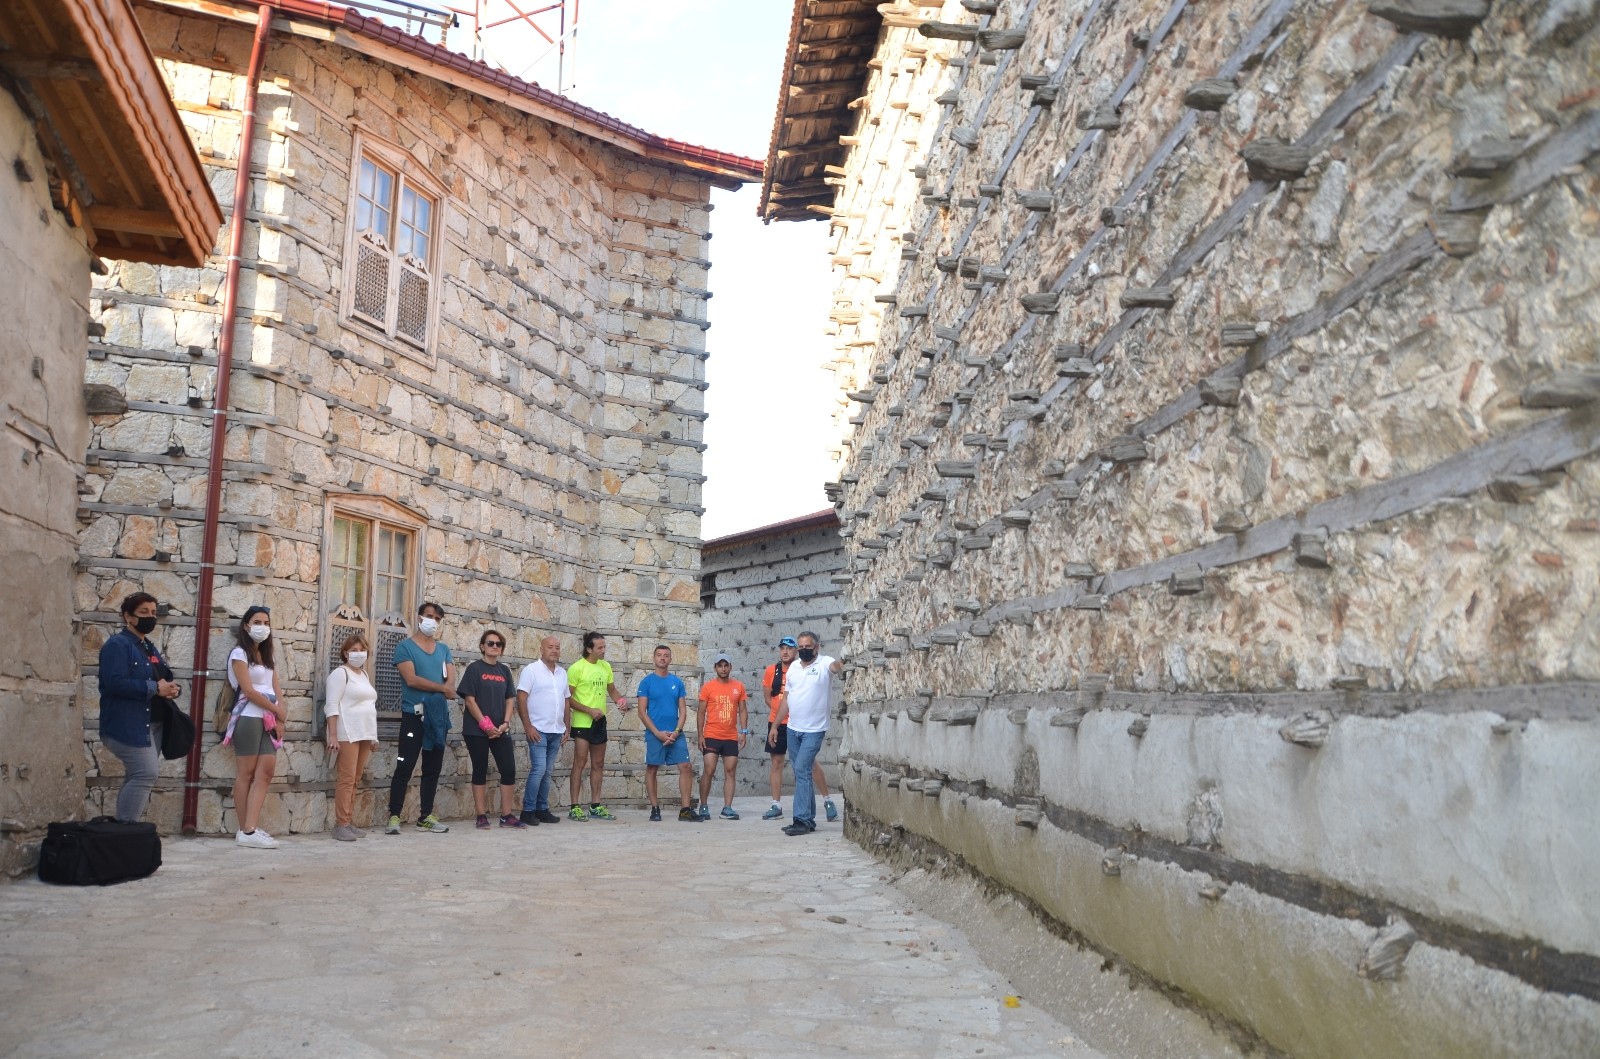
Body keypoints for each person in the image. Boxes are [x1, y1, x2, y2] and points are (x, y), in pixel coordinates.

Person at [97, 592, 181, 823]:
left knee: (137, 775)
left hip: (152, 725)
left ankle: (124, 832)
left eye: (153, 612)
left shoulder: (148, 647)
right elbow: (115, 683)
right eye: (143, 612)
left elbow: (161, 677)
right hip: (129, 725)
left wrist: (172, 689)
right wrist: (155, 688)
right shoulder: (117, 645)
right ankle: (126, 831)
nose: (150, 617)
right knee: (145, 773)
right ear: (128, 616)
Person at [387, 601, 454, 834]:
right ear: (418, 618)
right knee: (404, 766)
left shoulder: (444, 649)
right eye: (428, 616)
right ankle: (394, 816)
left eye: (437, 618)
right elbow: (411, 679)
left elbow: (451, 681)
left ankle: (425, 816)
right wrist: (441, 689)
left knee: (432, 768)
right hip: (413, 716)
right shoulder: (405, 647)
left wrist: (445, 689)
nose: (432, 621)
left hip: (437, 718)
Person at [773, 630, 844, 836]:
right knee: (800, 771)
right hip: (793, 728)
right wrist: (776, 725)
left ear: (817, 647)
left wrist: (843, 661)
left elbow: (835, 667)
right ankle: (809, 818)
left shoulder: (824, 663)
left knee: (803, 769)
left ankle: (801, 820)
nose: (804, 650)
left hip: (814, 730)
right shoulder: (794, 667)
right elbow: (787, 698)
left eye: (808, 647)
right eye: (801, 647)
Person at [227, 605, 285, 848]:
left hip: (269, 720)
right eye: (257, 621)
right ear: (246, 626)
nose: (263, 626)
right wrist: (275, 709)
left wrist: (280, 717)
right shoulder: (239, 654)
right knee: (246, 773)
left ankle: (250, 827)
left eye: (266, 622)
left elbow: (275, 689)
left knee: (266, 771)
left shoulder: (268, 655)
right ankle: (246, 830)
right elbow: (248, 690)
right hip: (249, 717)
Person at [457, 629, 522, 829]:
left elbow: (510, 699)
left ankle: (506, 815)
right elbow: (469, 700)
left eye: (498, 644)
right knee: (480, 770)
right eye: (490, 643)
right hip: (477, 730)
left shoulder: (504, 671)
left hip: (500, 730)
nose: (494, 646)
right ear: (482, 646)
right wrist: (485, 725)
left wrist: (505, 723)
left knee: (509, 770)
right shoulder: (474, 669)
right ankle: (481, 815)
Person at [565, 631, 630, 820]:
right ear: (588, 648)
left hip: (600, 721)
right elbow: (567, 698)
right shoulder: (577, 668)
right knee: (579, 762)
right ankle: (574, 806)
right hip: (582, 723)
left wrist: (621, 701)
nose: (603, 650)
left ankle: (595, 805)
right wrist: (588, 710)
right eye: (600, 647)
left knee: (598, 764)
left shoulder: (605, 666)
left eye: (604, 646)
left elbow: (612, 690)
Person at [324, 632, 378, 841]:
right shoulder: (340, 674)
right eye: (354, 650)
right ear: (345, 653)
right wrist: (333, 736)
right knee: (346, 779)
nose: (358, 654)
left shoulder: (363, 675)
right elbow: (332, 705)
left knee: (355, 779)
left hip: (364, 732)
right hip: (347, 732)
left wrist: (374, 736)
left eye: (362, 650)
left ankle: (348, 820)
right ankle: (341, 824)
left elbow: (369, 707)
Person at [515, 635, 572, 825]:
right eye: (550, 647)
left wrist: (567, 726)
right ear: (541, 649)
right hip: (538, 730)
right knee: (539, 769)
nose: (554, 650)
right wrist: (528, 726)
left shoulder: (562, 673)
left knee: (547, 771)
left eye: (557, 647)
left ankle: (541, 808)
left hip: (556, 730)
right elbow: (521, 698)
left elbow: (566, 700)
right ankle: (527, 810)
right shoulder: (531, 671)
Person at [636, 645, 694, 822]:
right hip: (655, 734)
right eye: (659, 655)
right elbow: (641, 711)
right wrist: (657, 733)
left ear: (670, 659)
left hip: (676, 733)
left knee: (685, 767)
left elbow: (683, 711)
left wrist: (676, 732)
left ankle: (685, 809)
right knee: (652, 768)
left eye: (666, 655)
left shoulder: (677, 682)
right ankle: (655, 808)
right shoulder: (646, 682)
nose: (662, 658)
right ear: (654, 658)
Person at [697, 653, 749, 820]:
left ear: (730, 667)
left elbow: (742, 710)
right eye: (720, 666)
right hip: (711, 734)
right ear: (715, 668)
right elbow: (701, 712)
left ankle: (727, 808)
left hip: (730, 736)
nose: (723, 669)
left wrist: (744, 731)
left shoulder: (738, 686)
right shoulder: (708, 687)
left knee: (730, 771)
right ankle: (703, 805)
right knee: (709, 769)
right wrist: (700, 735)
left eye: (726, 665)